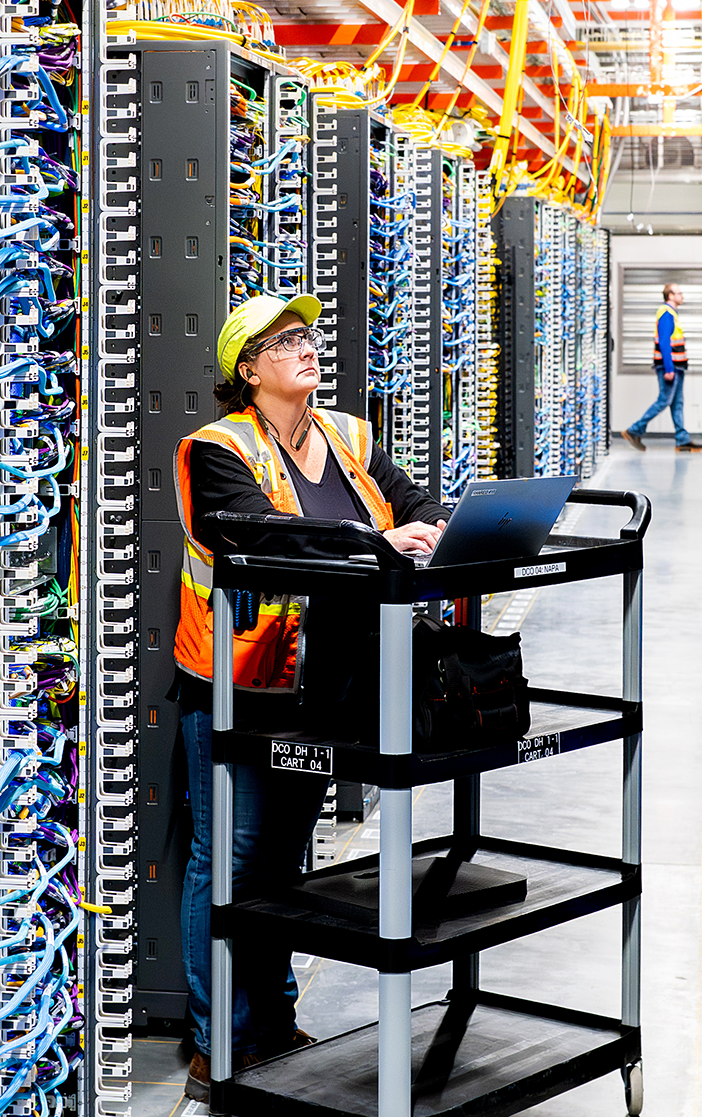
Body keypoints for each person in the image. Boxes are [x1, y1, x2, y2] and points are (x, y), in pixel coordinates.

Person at [171, 293, 452, 1098]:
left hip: (325, 683)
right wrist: (376, 541)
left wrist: (429, 529)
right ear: (246, 369)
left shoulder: (350, 435)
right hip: (242, 686)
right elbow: (261, 532)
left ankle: (275, 1024)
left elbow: (413, 499)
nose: (306, 347)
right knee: (230, 858)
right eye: (284, 341)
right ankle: (216, 1044)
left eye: (309, 336)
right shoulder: (214, 449)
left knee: (286, 862)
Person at [622, 282, 699, 452]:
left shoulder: (671, 313)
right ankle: (634, 430)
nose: (682, 296)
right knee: (664, 401)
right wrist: (669, 369)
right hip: (670, 367)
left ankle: (682, 439)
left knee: (677, 403)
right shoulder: (666, 313)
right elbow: (664, 343)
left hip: (678, 366)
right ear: (670, 295)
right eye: (679, 293)